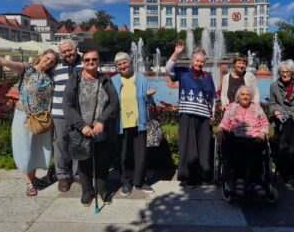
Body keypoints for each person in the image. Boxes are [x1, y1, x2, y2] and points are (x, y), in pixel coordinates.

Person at [0, 50, 59, 196]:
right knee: (25, 149)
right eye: (47, 58)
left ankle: (33, 178)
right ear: (41, 57)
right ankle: (28, 182)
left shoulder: (49, 76)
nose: (49, 62)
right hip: (24, 116)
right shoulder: (27, 69)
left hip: (41, 118)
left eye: (52, 61)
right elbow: (5, 62)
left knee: (37, 149)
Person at [63, 50, 118, 207]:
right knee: (84, 161)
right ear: (83, 62)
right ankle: (87, 190)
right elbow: (67, 105)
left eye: (94, 59)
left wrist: (102, 120)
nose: (91, 62)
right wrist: (81, 125)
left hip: (100, 129)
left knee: (102, 160)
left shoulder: (106, 80)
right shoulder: (75, 79)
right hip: (81, 130)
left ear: (99, 62)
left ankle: (102, 188)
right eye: (87, 59)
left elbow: (114, 103)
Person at [166, 43, 216, 188]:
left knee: (204, 145)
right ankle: (188, 176)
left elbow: (212, 97)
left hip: (204, 116)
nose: (199, 63)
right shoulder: (183, 73)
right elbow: (168, 68)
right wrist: (176, 53)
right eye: (197, 60)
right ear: (192, 61)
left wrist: (212, 113)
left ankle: (203, 175)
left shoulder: (208, 77)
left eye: (202, 61)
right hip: (187, 114)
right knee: (189, 146)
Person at [111, 52, 156, 196]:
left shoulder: (141, 78)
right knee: (124, 155)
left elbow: (149, 102)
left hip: (139, 122)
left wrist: (149, 96)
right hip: (122, 124)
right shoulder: (113, 81)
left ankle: (140, 181)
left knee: (141, 154)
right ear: (117, 67)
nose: (123, 66)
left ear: (130, 63)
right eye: (119, 64)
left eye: (125, 62)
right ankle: (125, 181)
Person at [217, 86, 269, 195]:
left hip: (255, 136)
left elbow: (265, 122)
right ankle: (239, 179)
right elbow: (225, 122)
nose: (245, 97)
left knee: (257, 149)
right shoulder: (232, 107)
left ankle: (255, 182)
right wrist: (220, 130)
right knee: (239, 148)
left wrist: (263, 132)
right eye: (242, 94)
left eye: (247, 94)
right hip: (238, 137)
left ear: (251, 97)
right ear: (238, 96)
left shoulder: (257, 107)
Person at [52, 39, 83, 192]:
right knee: (60, 145)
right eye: (64, 52)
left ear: (76, 48)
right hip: (59, 114)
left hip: (79, 114)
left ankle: (78, 174)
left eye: (70, 50)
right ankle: (63, 176)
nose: (67, 53)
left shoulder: (86, 63)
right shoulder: (55, 67)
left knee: (78, 143)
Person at [269, 60, 294, 182]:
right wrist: (275, 112)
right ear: (279, 73)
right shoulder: (274, 85)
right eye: (282, 72)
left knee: (293, 146)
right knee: (283, 145)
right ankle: (284, 171)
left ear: (292, 73)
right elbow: (272, 104)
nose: (285, 74)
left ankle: (290, 171)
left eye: (288, 72)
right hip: (280, 118)